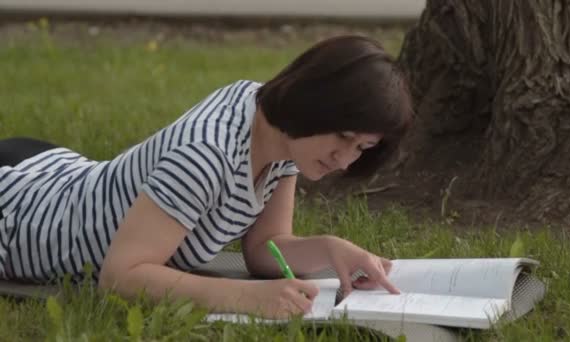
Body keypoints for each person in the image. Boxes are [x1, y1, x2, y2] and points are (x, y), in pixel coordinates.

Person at [0, 35, 413, 318]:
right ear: (316, 103)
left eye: (361, 148)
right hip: (18, 217)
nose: (344, 160)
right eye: (342, 137)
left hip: (56, 173)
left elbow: (264, 249)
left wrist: (331, 248)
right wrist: (244, 297)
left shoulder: (282, 137)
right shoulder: (206, 155)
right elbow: (121, 276)